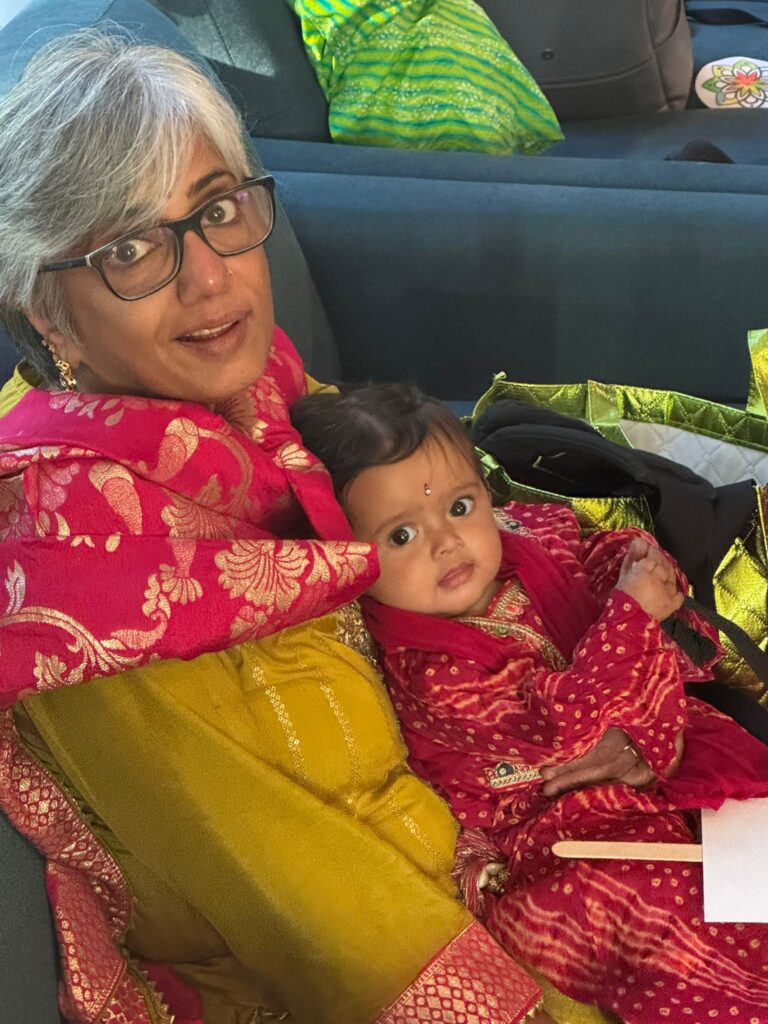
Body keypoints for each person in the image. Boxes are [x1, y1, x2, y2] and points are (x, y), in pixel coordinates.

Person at [0, 29, 558, 1024]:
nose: (210, 280)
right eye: (131, 249)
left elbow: (416, 519)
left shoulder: (258, 399)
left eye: (217, 210)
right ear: (48, 312)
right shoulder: (89, 588)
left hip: (501, 807)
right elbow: (326, 922)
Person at [290, 380, 768, 1024]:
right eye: (401, 535)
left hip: (655, 737)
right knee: (652, 907)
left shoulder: (526, 536)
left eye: (460, 506)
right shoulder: (430, 670)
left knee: (750, 806)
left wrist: (637, 566)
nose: (446, 542)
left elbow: (594, 555)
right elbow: (559, 728)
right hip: (557, 824)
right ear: (349, 558)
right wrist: (632, 616)